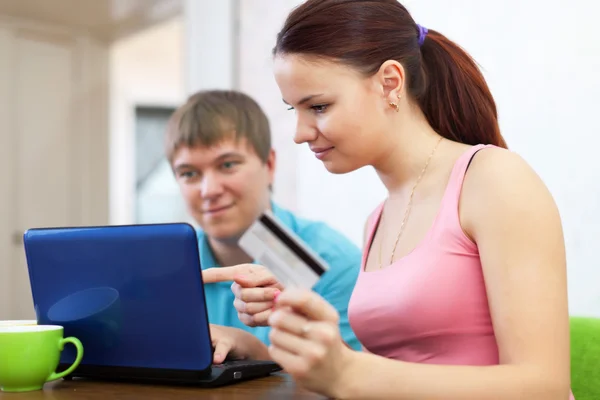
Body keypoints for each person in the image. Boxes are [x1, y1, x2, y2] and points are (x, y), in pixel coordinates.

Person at [227, 0, 575, 399]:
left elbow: (543, 387)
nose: (300, 133)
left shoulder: (494, 179)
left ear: (390, 82)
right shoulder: (377, 220)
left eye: (318, 107)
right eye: (295, 109)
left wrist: (348, 374)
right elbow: (392, 377)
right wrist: (284, 328)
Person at [164, 89, 362, 364]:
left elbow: (350, 381)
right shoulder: (168, 269)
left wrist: (253, 351)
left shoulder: (333, 262)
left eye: (228, 165)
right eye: (189, 174)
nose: (208, 190)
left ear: (269, 164)